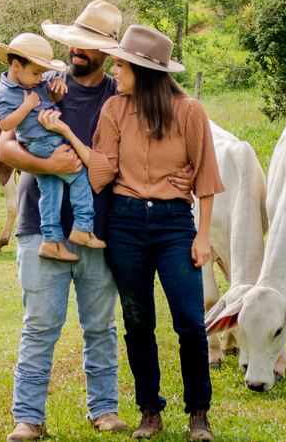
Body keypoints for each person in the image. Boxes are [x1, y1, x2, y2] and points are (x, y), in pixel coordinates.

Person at [0, 1, 196, 442]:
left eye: (89, 47)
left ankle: (104, 409)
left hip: (100, 231)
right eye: (74, 44)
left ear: (111, 54)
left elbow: (173, 123)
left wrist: (184, 171)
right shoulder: (42, 83)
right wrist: (47, 166)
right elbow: (3, 147)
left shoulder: (122, 94)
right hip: (39, 225)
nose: (77, 52)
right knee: (40, 325)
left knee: (101, 326)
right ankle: (28, 418)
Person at [37, 24, 224, 441]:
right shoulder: (115, 110)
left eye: (121, 64)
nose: (115, 70)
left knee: (190, 321)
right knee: (138, 323)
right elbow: (102, 172)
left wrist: (203, 235)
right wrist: (66, 132)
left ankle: (198, 414)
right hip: (124, 222)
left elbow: (207, 177)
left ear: (144, 69)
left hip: (175, 224)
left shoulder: (190, 111)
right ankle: (150, 412)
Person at [0, 32, 105, 263]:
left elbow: (49, 96)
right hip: (44, 143)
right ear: (16, 65)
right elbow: (4, 125)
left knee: (51, 192)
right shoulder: (10, 93)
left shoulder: (34, 82)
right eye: (36, 72)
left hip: (44, 142)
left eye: (42, 72)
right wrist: (26, 107)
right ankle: (82, 227)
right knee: (79, 176)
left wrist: (56, 85)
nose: (39, 78)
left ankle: (51, 241)